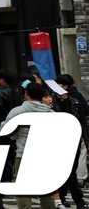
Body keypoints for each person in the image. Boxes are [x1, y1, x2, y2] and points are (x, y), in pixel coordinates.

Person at [4, 82, 57, 209]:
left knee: (23, 191)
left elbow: (6, 131)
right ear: (42, 96)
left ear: (26, 94)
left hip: (22, 154)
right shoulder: (51, 113)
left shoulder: (17, 111)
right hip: (44, 155)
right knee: (46, 191)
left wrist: (15, 136)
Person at [52, 77, 88, 209]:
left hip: (74, 139)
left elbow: (82, 122)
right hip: (58, 140)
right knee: (68, 170)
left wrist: (86, 141)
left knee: (69, 169)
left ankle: (62, 197)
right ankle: (78, 200)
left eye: (58, 85)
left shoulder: (75, 101)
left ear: (65, 87)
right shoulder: (52, 101)